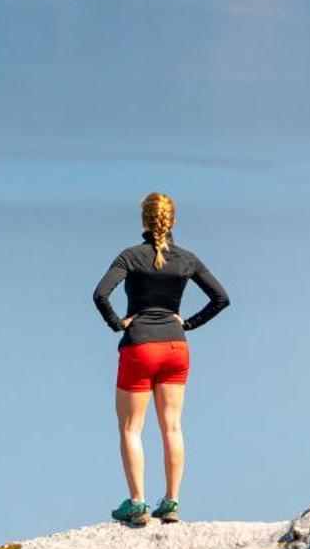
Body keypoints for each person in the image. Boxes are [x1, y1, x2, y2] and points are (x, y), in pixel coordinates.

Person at [91, 191, 229, 526]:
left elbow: (100, 294)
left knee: (130, 428)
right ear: (173, 221)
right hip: (175, 348)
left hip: (140, 346)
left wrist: (117, 323)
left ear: (143, 220)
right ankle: (171, 502)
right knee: (172, 426)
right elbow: (221, 298)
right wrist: (189, 323)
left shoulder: (130, 256)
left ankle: (137, 504)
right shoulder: (186, 258)